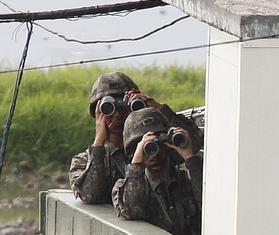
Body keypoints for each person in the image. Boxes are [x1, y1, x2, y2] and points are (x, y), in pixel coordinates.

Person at [69, 71, 203, 204]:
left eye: (123, 106)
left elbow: (193, 144)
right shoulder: (83, 162)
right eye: (108, 108)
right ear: (98, 113)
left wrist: (156, 107)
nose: (117, 115)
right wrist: (99, 142)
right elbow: (90, 194)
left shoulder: (155, 150)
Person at [112, 108, 202, 235]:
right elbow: (132, 209)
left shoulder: (185, 181)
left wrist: (189, 157)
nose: (153, 154)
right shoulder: (124, 187)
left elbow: (211, 205)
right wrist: (136, 162)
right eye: (148, 148)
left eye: (158, 145)